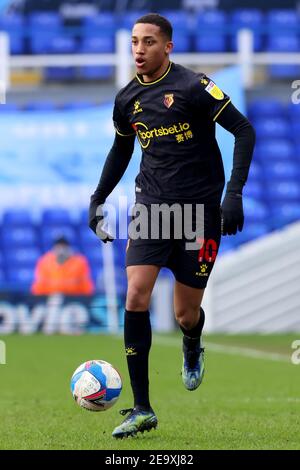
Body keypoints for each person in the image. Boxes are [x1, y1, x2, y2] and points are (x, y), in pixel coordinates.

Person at [89, 13, 255, 439]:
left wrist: (232, 194)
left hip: (199, 215)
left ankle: (191, 342)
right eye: (133, 42)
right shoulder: (127, 100)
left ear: (168, 46)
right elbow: (120, 151)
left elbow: (244, 130)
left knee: (185, 313)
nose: (139, 49)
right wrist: (98, 197)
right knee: (137, 293)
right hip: (152, 209)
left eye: (148, 41)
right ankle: (143, 408)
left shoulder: (194, 87)